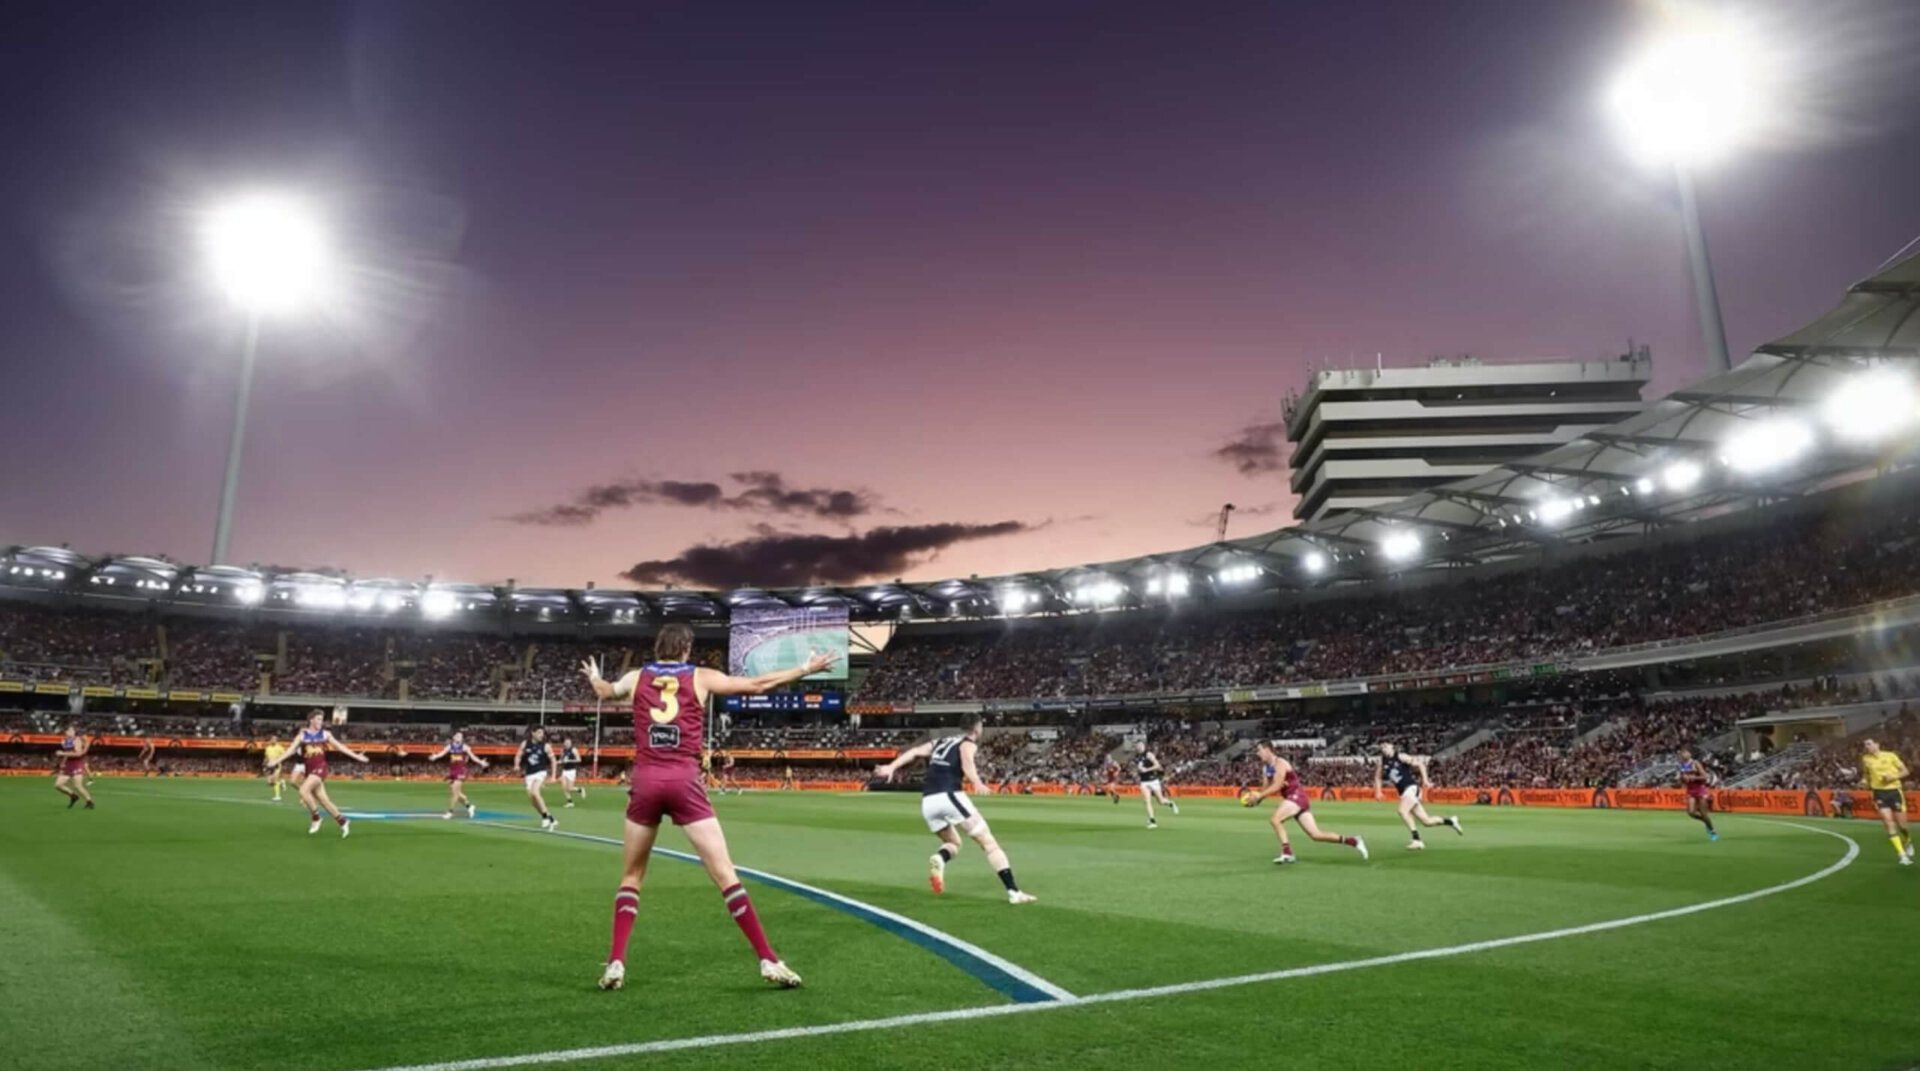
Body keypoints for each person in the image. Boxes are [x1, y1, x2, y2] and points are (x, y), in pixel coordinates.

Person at [582, 624, 833, 992]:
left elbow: (605, 692)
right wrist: (805, 668)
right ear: (686, 648)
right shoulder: (700, 676)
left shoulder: (636, 677)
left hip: (646, 781)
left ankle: (617, 961)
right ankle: (767, 958)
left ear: (658, 647)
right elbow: (756, 685)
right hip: (684, 781)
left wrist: (594, 677)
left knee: (631, 876)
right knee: (725, 875)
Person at [875, 718, 1036, 904]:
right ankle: (1014, 892)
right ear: (977, 728)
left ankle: (940, 858)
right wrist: (977, 782)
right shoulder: (968, 743)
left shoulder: (941, 741)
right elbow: (967, 762)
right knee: (989, 844)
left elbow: (915, 751)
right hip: (950, 795)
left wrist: (891, 767)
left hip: (928, 801)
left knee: (953, 842)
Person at [1246, 742, 1366, 864]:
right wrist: (1256, 799)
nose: (1257, 753)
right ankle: (1353, 841)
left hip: (1296, 796)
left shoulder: (1280, 763)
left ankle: (1287, 853)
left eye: (1259, 750)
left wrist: (1259, 796)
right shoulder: (1266, 768)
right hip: (1295, 799)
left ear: (1268, 750)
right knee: (1316, 835)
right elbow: (1265, 788)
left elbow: (1277, 785)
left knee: (1275, 819)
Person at [267, 710, 370, 837]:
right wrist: (275, 761)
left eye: (322, 719)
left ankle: (316, 817)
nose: (321, 722)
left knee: (303, 790)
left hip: (320, 768)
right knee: (323, 800)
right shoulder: (302, 736)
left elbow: (340, 747)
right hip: (309, 770)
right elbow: (289, 751)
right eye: (319, 719)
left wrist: (356, 756)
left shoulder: (325, 734)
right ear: (311, 720)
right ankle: (343, 821)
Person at [1372, 742, 1462, 849]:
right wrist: (1378, 791)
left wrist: (1425, 781)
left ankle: (1416, 839)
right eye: (1382, 747)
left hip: (1411, 788)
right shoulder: (1382, 762)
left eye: (1386, 745)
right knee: (1426, 821)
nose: (1383, 748)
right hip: (1404, 792)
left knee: (1402, 811)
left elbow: (1420, 765)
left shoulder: (1401, 756)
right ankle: (1450, 821)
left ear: (1392, 747)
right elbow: (1377, 777)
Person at [1858, 739, 1912, 865]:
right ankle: (1901, 854)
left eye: (1869, 744)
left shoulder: (1890, 756)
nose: (1867, 746)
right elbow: (1866, 774)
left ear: (1877, 744)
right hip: (1878, 792)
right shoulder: (1866, 759)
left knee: (1902, 826)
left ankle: (1907, 840)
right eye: (1865, 745)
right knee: (1888, 822)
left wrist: (1893, 776)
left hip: (1894, 791)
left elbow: (1906, 771)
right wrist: (1864, 781)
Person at [429, 731, 486, 819]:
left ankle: (450, 812)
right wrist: (435, 756)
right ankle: (469, 806)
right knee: (457, 793)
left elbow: (473, 757)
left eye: (461, 736)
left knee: (455, 794)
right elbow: (442, 753)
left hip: (460, 771)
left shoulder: (465, 747)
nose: (460, 737)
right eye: (458, 735)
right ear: (454, 737)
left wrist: (480, 762)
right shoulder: (449, 746)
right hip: (452, 771)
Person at [517, 727, 560, 831]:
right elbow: (518, 755)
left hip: (540, 772)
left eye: (542, 733)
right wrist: (516, 765)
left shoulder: (546, 746)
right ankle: (550, 818)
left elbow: (553, 761)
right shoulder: (525, 744)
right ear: (533, 733)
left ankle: (545, 817)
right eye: (539, 732)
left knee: (535, 792)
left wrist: (553, 776)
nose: (542, 735)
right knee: (532, 799)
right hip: (529, 774)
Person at [1133, 740, 1178, 828]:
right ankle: (1152, 820)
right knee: (1146, 801)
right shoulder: (1137, 757)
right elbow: (1139, 768)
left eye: (1141, 745)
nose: (1139, 747)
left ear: (1144, 746)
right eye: (1137, 746)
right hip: (1144, 781)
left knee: (1161, 801)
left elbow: (1157, 765)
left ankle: (1171, 803)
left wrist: (1146, 770)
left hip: (1153, 780)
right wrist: (1138, 770)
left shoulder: (1149, 755)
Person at [1675, 747, 1718, 841]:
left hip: (1700, 789)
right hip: (1690, 790)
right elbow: (1681, 779)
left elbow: (1705, 776)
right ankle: (1706, 823)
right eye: (1682, 754)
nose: (1684, 755)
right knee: (1691, 812)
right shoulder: (1681, 765)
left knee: (1704, 813)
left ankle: (1712, 831)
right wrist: (1682, 779)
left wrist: (1693, 778)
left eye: (1686, 753)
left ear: (1689, 754)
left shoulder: (1695, 763)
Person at [53, 723, 95, 810]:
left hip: (76, 764)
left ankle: (89, 801)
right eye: (70, 730)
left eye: (72, 730)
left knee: (78, 786)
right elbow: (68, 753)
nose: (72, 732)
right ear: (65, 732)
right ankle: (73, 795)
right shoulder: (64, 741)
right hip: (68, 764)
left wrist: (63, 753)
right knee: (58, 785)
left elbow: (78, 754)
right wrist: (63, 761)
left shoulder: (76, 740)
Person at [558, 736, 586, 808]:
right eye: (566, 742)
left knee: (570, 788)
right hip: (564, 770)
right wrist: (559, 762)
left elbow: (579, 760)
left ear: (570, 743)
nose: (567, 744)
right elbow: (561, 759)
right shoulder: (562, 750)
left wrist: (569, 761)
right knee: (564, 787)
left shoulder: (573, 750)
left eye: (568, 743)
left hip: (571, 770)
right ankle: (570, 802)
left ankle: (580, 790)